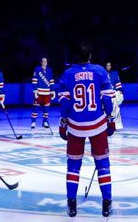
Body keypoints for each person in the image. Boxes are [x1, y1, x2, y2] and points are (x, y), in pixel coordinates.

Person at [57, 44, 115, 218]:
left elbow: (65, 103)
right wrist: (110, 118)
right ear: (90, 56)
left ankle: (72, 204)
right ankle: (106, 203)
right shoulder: (99, 71)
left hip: (75, 126)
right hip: (97, 124)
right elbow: (107, 98)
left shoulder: (68, 74)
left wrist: (63, 122)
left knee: (73, 166)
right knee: (103, 165)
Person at [30, 57, 55, 133]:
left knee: (46, 108)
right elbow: (34, 80)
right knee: (35, 107)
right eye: (43, 61)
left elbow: (51, 81)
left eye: (46, 61)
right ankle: (33, 122)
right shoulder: (37, 69)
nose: (44, 62)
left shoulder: (49, 70)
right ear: (41, 62)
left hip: (47, 92)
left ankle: (45, 122)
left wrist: (53, 91)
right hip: (39, 92)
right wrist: (35, 91)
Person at [106, 62, 125, 130]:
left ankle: (117, 125)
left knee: (116, 110)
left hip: (113, 95)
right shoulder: (102, 73)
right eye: (107, 65)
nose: (108, 67)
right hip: (104, 96)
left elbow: (118, 85)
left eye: (110, 65)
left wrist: (120, 92)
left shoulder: (114, 74)